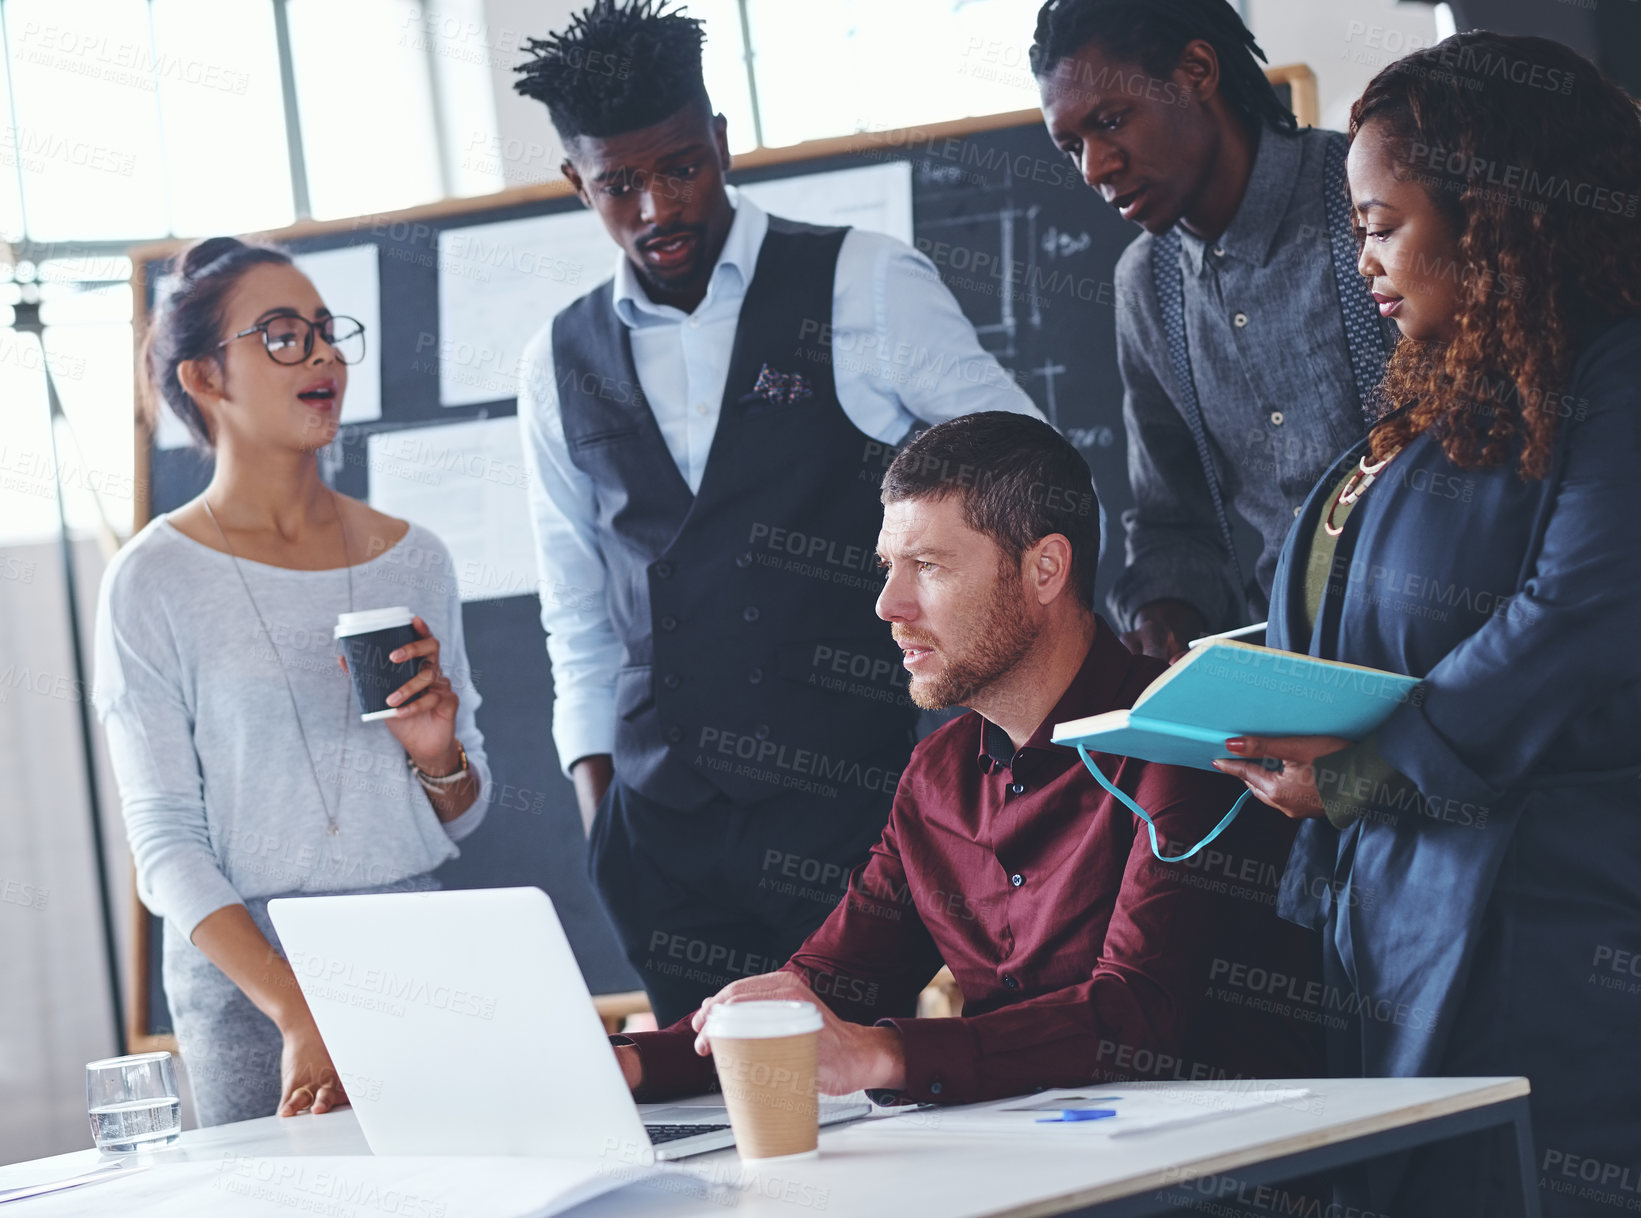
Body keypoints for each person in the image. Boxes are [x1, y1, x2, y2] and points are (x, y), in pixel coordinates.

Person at [514, 0, 1042, 1025]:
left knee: (886, 1115)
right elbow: (576, 607)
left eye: (681, 167)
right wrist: (600, 813)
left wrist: (976, 713)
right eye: (620, 184)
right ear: (577, 183)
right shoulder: (557, 360)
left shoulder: (863, 281)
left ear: (720, 140)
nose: (658, 205)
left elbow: (1027, 468)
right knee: (724, 1138)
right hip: (660, 842)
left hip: (858, 810)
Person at [1210, 33, 1641, 1218]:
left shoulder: (1620, 379)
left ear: (1496, 214)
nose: (1366, 263)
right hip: (1397, 929)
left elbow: (1580, 623)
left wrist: (1355, 772)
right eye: (1354, 230)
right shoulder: (1458, 393)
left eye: (1382, 224)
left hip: (1552, 937)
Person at [608, 412, 1320, 1104]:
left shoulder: (1178, 737)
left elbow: (1134, 1016)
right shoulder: (936, 775)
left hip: (1218, 1170)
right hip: (1027, 1161)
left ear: (1044, 569)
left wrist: (878, 1054)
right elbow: (828, 985)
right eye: (889, 567)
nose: (889, 604)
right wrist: (627, 1067)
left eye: (927, 567)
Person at [95, 237, 491, 1125]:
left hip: (415, 948)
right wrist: (299, 1011)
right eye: (279, 334)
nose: (319, 354)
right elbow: (163, 842)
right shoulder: (153, 578)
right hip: (249, 984)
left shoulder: (415, 557)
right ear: (203, 378)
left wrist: (438, 758)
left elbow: (468, 806)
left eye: (324, 330)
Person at [1033, 0, 1397, 658]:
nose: (1093, 168)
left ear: (1196, 71)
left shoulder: (1369, 199)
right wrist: (1163, 610)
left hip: (1438, 640)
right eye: (1071, 147)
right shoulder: (1145, 284)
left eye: (1111, 121)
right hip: (1285, 667)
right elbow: (1172, 517)